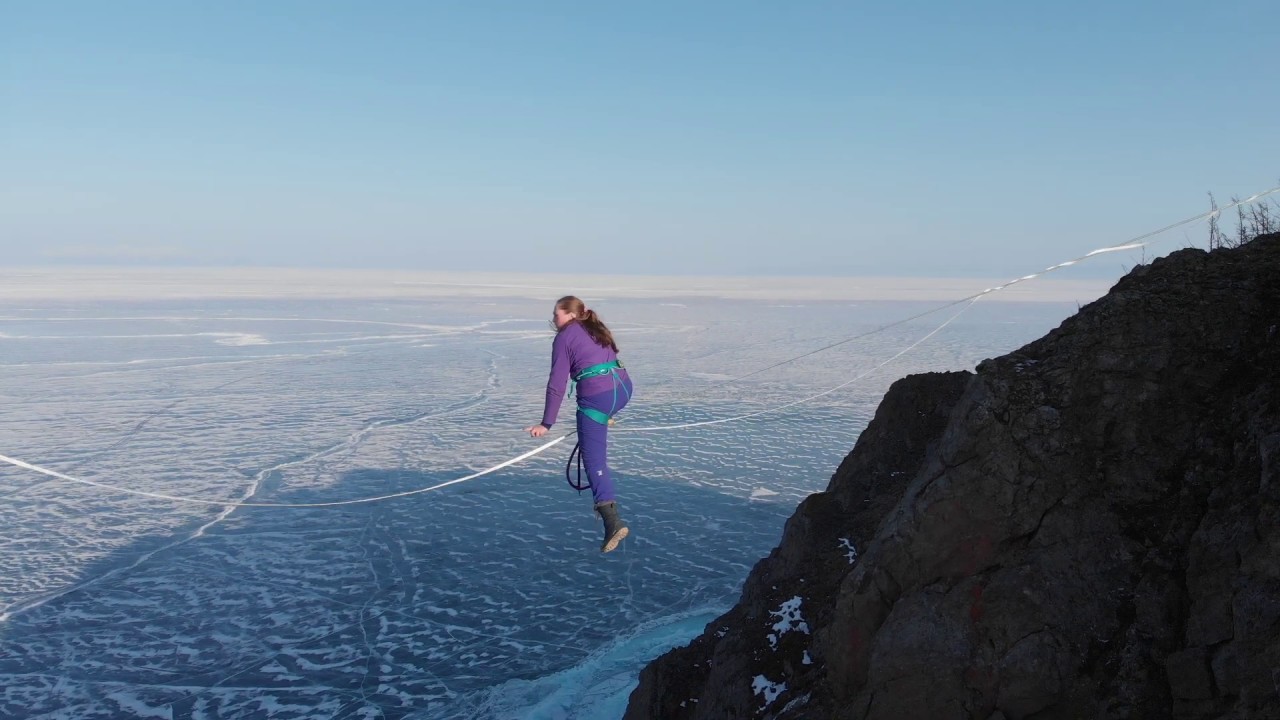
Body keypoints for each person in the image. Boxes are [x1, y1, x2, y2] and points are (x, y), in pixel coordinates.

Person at [525, 296, 634, 552]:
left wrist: (546, 423)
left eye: (557, 314)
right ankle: (603, 417)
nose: (553, 319)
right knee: (596, 421)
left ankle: (612, 522)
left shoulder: (564, 337)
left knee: (594, 460)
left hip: (597, 398)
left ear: (571, 315)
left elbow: (557, 384)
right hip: (623, 390)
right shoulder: (593, 326)